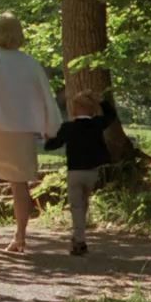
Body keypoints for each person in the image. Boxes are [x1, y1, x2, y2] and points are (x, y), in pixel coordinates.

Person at [0, 13, 62, 253]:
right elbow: (44, 96)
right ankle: (20, 237)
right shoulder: (30, 63)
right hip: (20, 131)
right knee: (19, 184)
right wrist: (50, 126)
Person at [44, 93, 118, 255]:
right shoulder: (97, 124)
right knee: (84, 203)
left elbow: (53, 145)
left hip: (75, 172)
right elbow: (111, 115)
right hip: (93, 172)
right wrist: (101, 100)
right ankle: (79, 235)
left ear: (74, 110)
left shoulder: (68, 127)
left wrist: (47, 139)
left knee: (76, 206)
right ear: (92, 110)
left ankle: (79, 239)